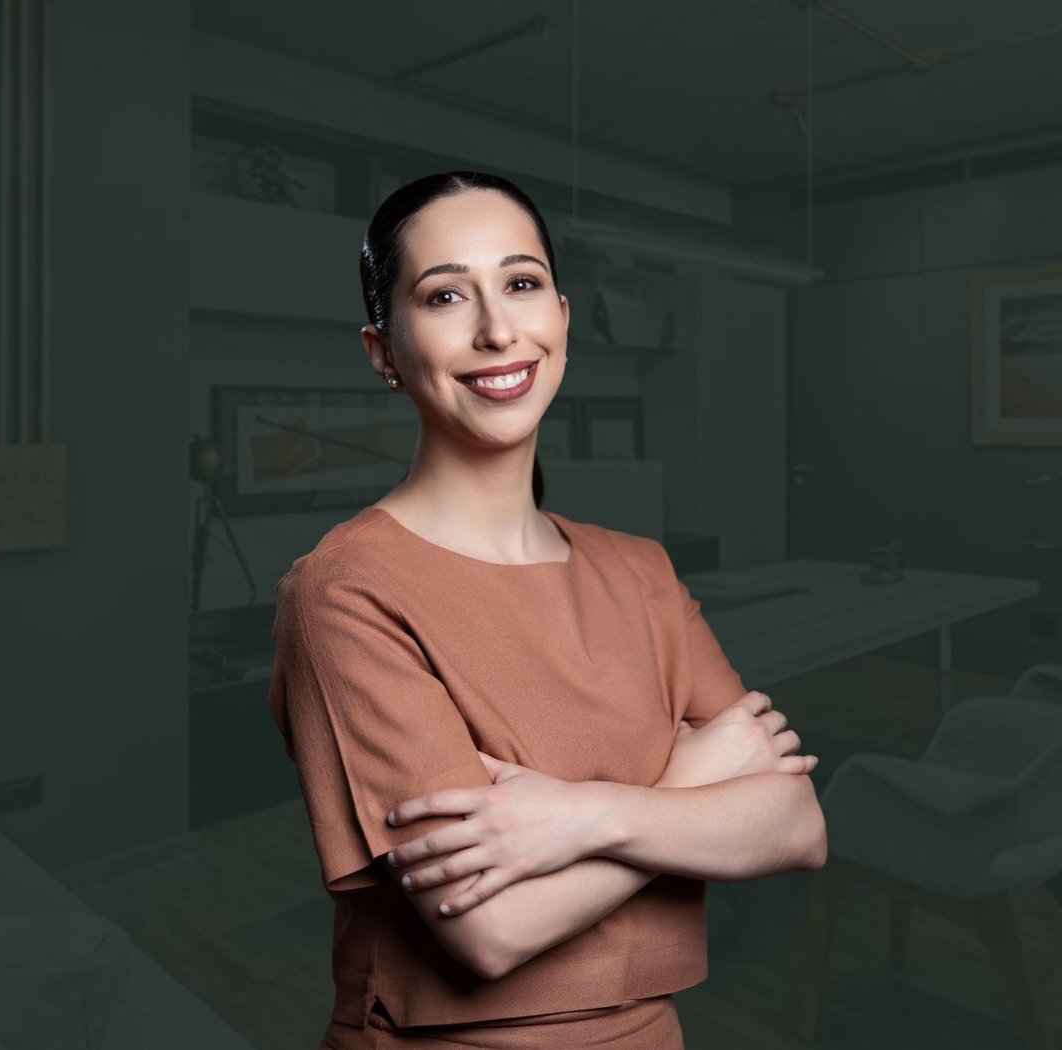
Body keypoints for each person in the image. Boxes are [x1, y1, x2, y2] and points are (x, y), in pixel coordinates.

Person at [267, 170, 829, 1050]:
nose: (498, 330)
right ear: (383, 353)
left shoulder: (640, 571)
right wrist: (690, 787)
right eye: (446, 294)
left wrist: (580, 817)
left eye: (521, 283)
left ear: (562, 318)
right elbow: (488, 929)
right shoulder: (345, 591)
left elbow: (797, 824)